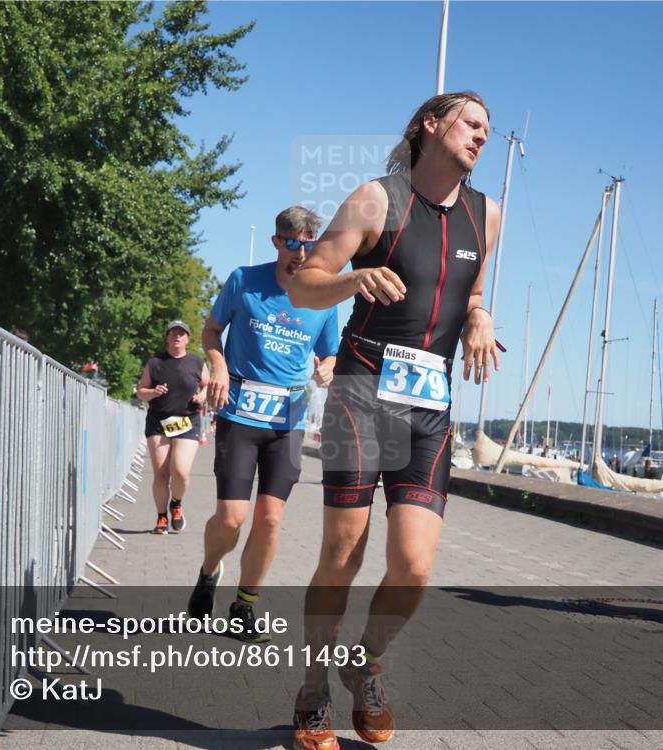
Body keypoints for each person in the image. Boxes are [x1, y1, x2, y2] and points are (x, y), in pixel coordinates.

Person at [285, 92, 501, 749]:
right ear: (430, 125)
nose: (482, 137)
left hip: (429, 405)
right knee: (342, 556)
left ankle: (366, 661)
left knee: (413, 563)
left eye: (489, 131)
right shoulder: (377, 200)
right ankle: (314, 688)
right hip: (364, 392)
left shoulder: (486, 215)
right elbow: (303, 282)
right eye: (472, 123)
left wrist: (481, 319)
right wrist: (354, 280)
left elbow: (475, 291)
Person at [186, 206, 339, 643]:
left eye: (310, 244)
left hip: (287, 423)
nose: (302, 252)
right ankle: (209, 570)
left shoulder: (323, 297)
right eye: (293, 243)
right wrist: (216, 363)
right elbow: (211, 331)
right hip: (239, 414)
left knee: (270, 519)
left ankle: (243, 606)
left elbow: (330, 352)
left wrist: (328, 366)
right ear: (277, 242)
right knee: (232, 518)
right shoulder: (244, 280)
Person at [137, 321, 208, 534]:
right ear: (167, 337)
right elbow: (141, 391)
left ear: (187, 339)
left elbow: (207, 384)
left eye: (182, 333)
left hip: (188, 421)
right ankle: (161, 517)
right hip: (159, 422)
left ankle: (176, 504)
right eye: (173, 333)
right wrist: (153, 392)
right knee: (160, 474)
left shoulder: (196, 362)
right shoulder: (155, 363)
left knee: (181, 471)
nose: (177, 336)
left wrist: (202, 396)